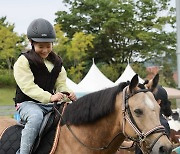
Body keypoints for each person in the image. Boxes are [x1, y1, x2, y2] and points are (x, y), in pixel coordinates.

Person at [13, 18, 77, 154]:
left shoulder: (57, 63)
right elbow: (28, 87)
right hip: (27, 103)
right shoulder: (23, 61)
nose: (45, 50)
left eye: (48, 46)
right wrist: (50, 97)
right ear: (31, 43)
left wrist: (67, 93)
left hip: (49, 103)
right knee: (35, 117)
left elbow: (61, 84)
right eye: (41, 46)